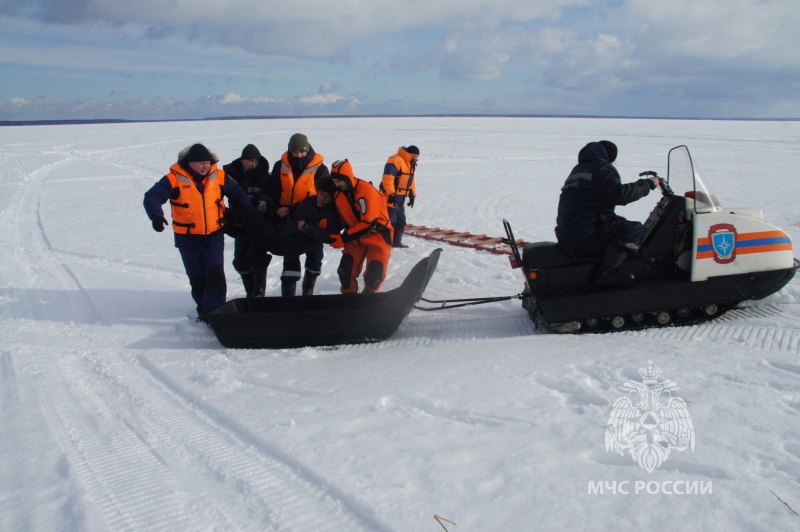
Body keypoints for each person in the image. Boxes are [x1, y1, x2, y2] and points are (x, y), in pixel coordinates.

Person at [143, 143, 251, 321]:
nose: (205, 166)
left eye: (207, 163)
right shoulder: (174, 178)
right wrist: (155, 215)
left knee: (215, 274)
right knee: (197, 276)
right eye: (201, 163)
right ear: (190, 163)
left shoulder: (219, 176)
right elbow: (152, 196)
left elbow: (238, 193)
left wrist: (246, 212)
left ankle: (216, 312)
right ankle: (204, 310)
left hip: (214, 235)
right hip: (188, 239)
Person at [554, 140, 660, 283]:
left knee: (621, 225)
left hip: (569, 233)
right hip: (584, 235)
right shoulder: (602, 168)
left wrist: (611, 217)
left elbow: (586, 201)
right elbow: (620, 194)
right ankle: (607, 274)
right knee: (635, 229)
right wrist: (649, 183)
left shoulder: (579, 169)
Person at [240, 176, 341, 278]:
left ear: (332, 199)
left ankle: (229, 222)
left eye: (327, 197)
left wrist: (307, 228)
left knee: (250, 215)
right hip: (280, 231)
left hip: (287, 244)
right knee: (262, 201)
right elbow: (299, 207)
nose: (322, 199)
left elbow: (332, 237)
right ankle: (258, 290)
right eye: (321, 194)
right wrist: (288, 209)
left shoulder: (330, 214)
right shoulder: (311, 200)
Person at [269, 133, 330, 296]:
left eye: (302, 152)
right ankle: (288, 298)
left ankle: (308, 291)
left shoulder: (321, 169)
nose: (299, 156)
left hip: (312, 218)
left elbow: (324, 196)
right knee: (290, 257)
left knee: (315, 257)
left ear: (308, 149)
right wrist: (277, 208)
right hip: (288, 218)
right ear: (290, 151)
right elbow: (273, 191)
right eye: (295, 153)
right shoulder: (279, 166)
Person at [329, 159, 394, 294]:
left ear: (348, 177)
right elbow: (343, 217)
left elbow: (368, 223)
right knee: (345, 271)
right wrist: (330, 228)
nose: (337, 185)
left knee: (374, 276)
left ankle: (369, 297)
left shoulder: (366, 191)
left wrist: (344, 237)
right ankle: (349, 299)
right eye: (334, 181)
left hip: (378, 235)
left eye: (339, 181)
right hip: (356, 236)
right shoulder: (338, 193)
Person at [223, 144, 272, 297]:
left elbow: (272, 196)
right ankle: (250, 292)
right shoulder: (230, 175)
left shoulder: (264, 176)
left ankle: (259, 292)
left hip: (259, 224)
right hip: (240, 224)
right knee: (240, 260)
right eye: (250, 161)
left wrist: (262, 201)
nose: (253, 164)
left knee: (257, 257)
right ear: (242, 160)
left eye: (256, 161)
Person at [379, 145, 419, 248]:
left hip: (401, 198)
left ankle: (396, 242)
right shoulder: (395, 160)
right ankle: (385, 243)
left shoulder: (410, 164)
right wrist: (391, 193)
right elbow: (388, 178)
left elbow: (411, 181)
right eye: (416, 156)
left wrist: (412, 195)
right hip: (390, 197)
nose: (417, 158)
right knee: (390, 221)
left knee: (401, 221)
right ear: (411, 154)